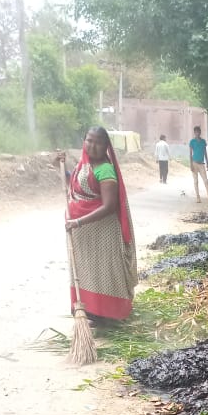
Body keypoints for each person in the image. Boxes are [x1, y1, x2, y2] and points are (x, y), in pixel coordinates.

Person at [57, 125, 137, 321]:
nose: (92, 146)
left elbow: (109, 206)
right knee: (85, 272)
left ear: (105, 146)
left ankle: (108, 314)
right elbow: (77, 186)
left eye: (98, 142)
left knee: (104, 272)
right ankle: (89, 310)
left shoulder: (105, 170)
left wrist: (78, 222)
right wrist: (61, 167)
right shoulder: (83, 166)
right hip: (83, 234)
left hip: (103, 233)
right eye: (89, 140)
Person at [188, 125, 208, 205]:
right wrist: (190, 164)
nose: (197, 133)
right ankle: (198, 197)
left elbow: (205, 153)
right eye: (196, 132)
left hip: (202, 164)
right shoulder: (192, 142)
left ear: (200, 132)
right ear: (194, 133)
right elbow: (190, 154)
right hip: (194, 163)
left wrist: (207, 163)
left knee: (206, 181)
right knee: (196, 181)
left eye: (198, 132)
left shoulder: (203, 141)